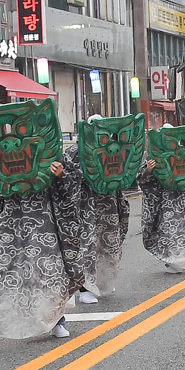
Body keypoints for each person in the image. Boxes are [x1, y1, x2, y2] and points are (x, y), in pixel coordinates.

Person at [0, 100, 82, 345]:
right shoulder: (0, 161)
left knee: (47, 274)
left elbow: (72, 188)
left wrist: (60, 176)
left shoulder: (49, 157)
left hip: (43, 227)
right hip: (9, 227)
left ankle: (57, 321)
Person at [74, 114, 143, 302]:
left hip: (109, 205)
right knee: (87, 246)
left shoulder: (115, 148)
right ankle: (85, 288)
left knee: (109, 244)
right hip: (86, 207)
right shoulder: (75, 152)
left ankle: (103, 281)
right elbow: (67, 176)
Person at [139, 123, 185, 275]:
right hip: (165, 203)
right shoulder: (154, 155)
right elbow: (143, 180)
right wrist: (149, 170)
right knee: (170, 234)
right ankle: (178, 263)